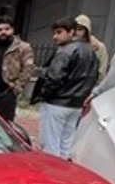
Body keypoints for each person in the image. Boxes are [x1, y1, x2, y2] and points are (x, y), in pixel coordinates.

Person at [33, 18, 97, 159]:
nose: (55, 36)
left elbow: (54, 78)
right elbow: (93, 76)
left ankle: (51, 171)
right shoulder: (90, 51)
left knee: (50, 145)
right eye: (54, 33)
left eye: (59, 32)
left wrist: (43, 95)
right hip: (76, 104)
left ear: (71, 32)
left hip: (57, 103)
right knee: (65, 145)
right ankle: (61, 169)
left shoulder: (65, 51)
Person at [73, 15, 109, 85]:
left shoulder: (99, 47)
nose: (76, 32)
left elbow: (102, 69)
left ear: (86, 31)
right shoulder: (70, 46)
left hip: (89, 85)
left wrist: (97, 86)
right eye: (75, 29)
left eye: (80, 29)